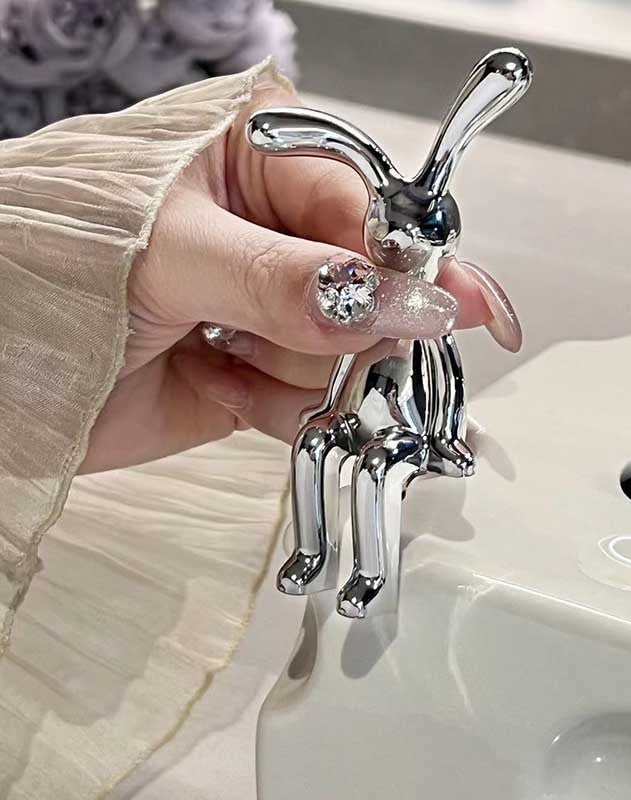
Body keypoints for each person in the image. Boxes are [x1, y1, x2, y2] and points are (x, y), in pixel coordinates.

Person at [0, 59, 519, 797]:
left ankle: (369, 573)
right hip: (350, 398)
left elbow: (442, 371)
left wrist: (442, 435)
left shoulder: (423, 324)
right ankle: (313, 552)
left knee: (375, 468)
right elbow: (340, 375)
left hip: (407, 424)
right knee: (314, 440)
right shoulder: (381, 301)